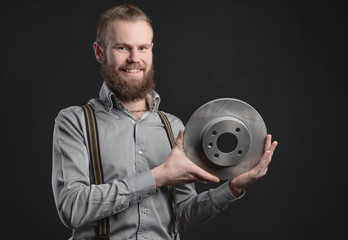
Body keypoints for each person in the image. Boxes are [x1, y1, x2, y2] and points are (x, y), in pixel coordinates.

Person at [52, 4, 278, 240]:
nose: (134, 58)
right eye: (122, 47)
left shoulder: (174, 127)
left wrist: (233, 188)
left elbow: (181, 214)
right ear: (100, 52)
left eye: (143, 48)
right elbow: (71, 208)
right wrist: (158, 177)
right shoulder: (75, 122)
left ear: (151, 50)